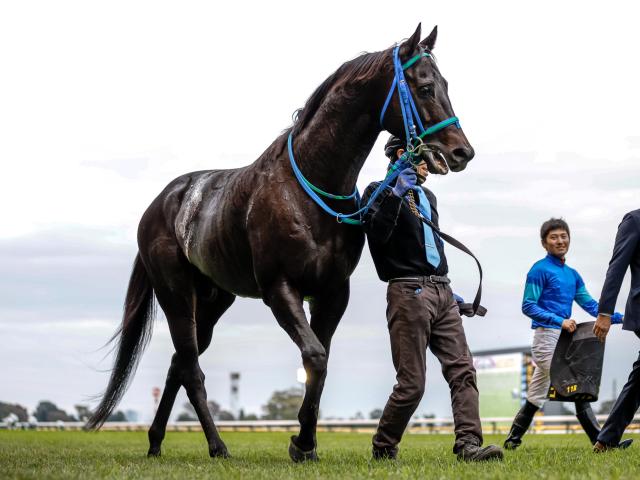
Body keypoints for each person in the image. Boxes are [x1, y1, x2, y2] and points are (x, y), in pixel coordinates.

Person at [361, 135, 503, 462]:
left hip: (442, 291)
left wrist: (453, 295)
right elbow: (378, 236)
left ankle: (468, 446)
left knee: (463, 371)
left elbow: (431, 248)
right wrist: (395, 193)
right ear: (402, 154)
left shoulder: (429, 197)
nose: (429, 165)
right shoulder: (377, 192)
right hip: (408, 291)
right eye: (424, 158)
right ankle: (383, 448)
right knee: (412, 384)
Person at [503, 218, 629, 450]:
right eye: (554, 237)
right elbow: (528, 306)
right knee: (578, 383)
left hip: (563, 339)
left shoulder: (572, 275)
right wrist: (559, 321)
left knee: (535, 395)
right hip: (546, 339)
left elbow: (592, 306)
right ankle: (601, 441)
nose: (560, 241)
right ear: (544, 243)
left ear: (569, 239)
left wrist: (625, 317)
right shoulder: (539, 270)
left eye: (563, 236)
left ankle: (512, 441)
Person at [592, 209, 640, 452]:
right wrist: (605, 312)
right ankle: (606, 439)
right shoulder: (635, 220)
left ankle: (607, 440)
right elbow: (617, 267)